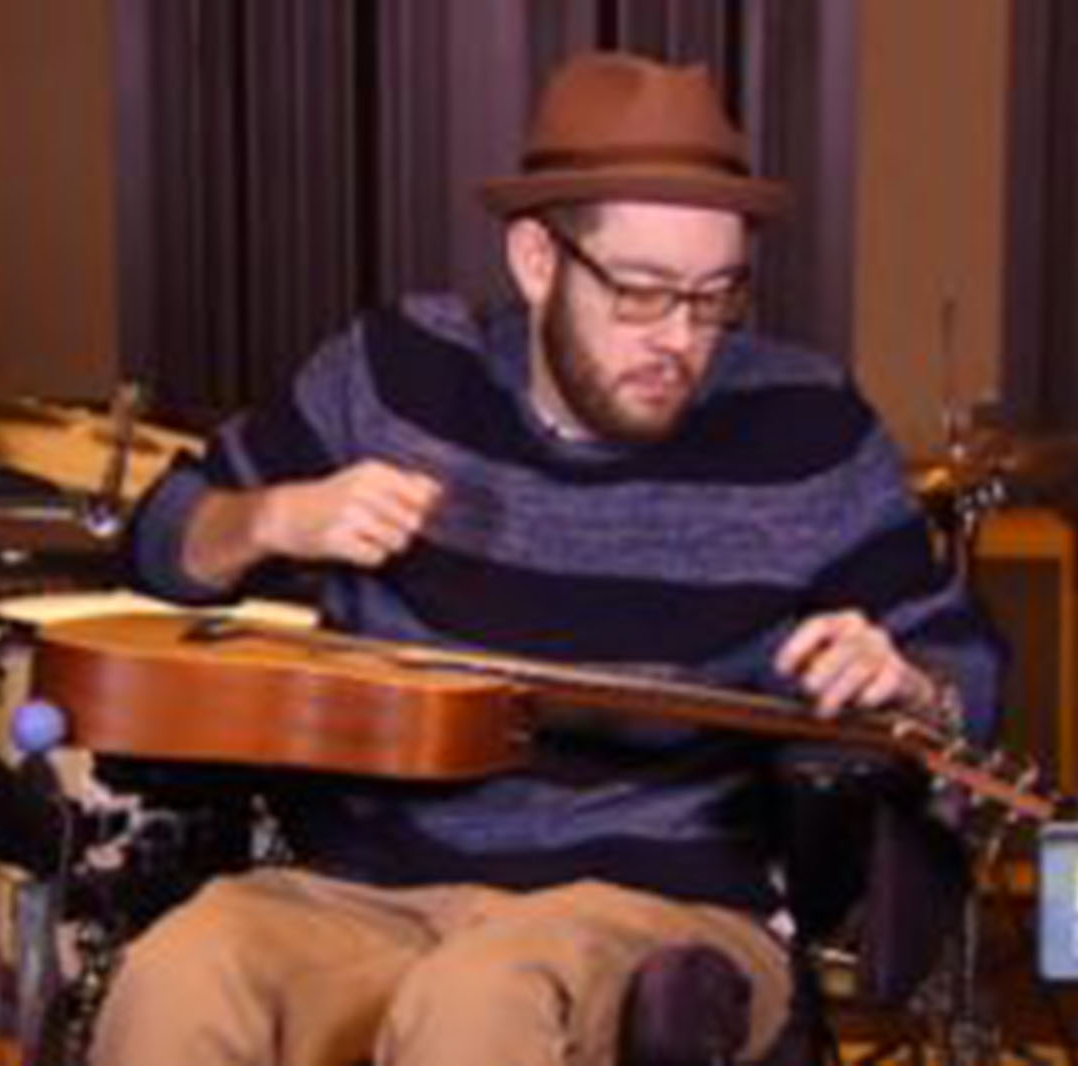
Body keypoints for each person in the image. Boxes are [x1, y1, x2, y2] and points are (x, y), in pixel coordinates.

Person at [100, 51, 1001, 1066]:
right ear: (537, 260)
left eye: (714, 297)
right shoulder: (394, 373)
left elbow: (962, 669)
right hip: (365, 891)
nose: (680, 340)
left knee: (483, 997)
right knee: (180, 970)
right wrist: (272, 518)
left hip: (663, 906)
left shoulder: (806, 424)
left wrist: (907, 685)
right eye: (642, 292)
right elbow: (159, 539)